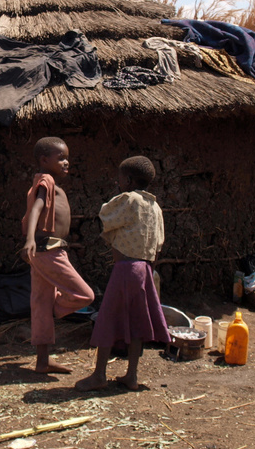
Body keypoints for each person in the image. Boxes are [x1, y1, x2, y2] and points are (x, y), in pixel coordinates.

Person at [75, 155, 170, 391]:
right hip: (145, 270)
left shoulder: (129, 200)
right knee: (137, 322)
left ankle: (99, 375)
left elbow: (106, 216)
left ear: (127, 180)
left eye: (119, 178)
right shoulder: (155, 207)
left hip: (125, 269)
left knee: (107, 320)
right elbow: (158, 244)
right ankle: (132, 375)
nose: (118, 182)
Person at [22, 136, 95, 374]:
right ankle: (56, 309)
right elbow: (36, 208)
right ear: (44, 160)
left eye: (67, 158)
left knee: (41, 305)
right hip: (49, 252)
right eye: (60, 157)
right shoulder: (46, 181)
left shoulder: (47, 182)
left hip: (45, 252)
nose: (66, 162)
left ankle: (43, 361)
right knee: (85, 295)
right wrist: (30, 238)